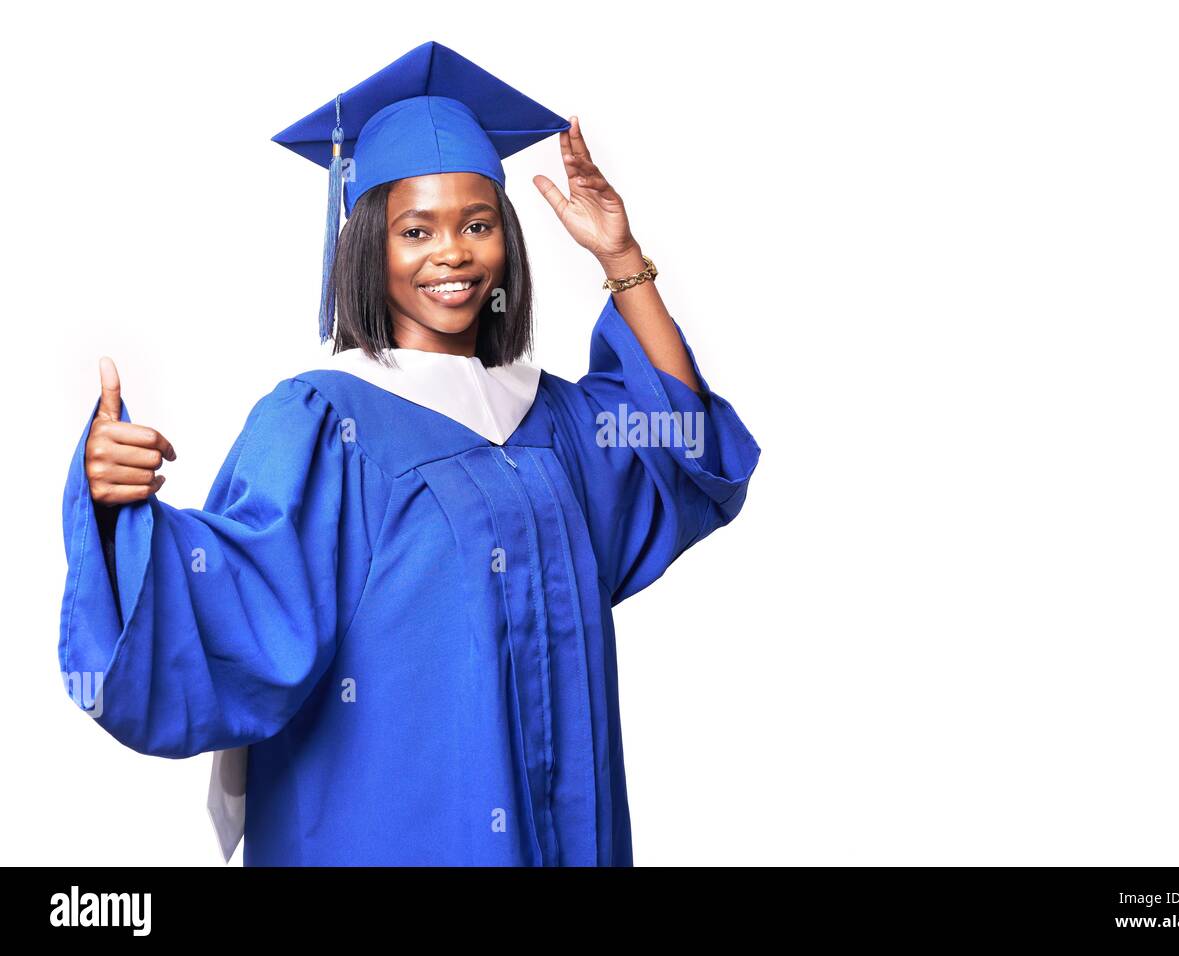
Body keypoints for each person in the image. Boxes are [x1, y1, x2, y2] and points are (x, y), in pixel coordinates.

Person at [59, 39, 759, 866]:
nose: (452, 253)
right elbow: (235, 597)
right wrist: (117, 516)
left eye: (477, 223)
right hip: (386, 829)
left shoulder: (552, 419)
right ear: (367, 248)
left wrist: (621, 261)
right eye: (415, 229)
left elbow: (679, 442)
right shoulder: (321, 421)